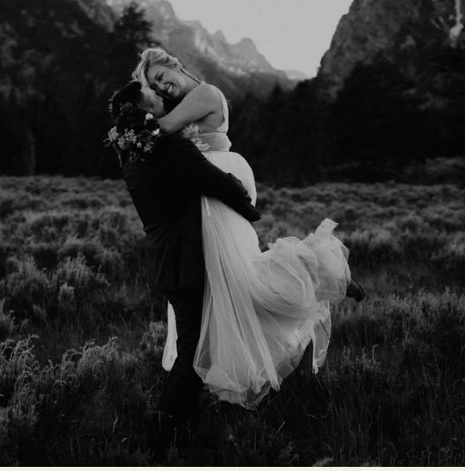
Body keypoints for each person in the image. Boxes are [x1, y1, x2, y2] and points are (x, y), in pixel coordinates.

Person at [132, 47, 365, 409]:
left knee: (241, 276)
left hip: (217, 182)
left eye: (162, 78)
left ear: (176, 64)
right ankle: (314, 278)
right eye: (156, 87)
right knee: (234, 280)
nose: (163, 87)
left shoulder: (204, 94)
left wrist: (129, 120)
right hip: (208, 184)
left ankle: (320, 267)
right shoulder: (189, 98)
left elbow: (161, 130)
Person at [107, 80, 261, 450]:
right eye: (154, 96)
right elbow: (218, 182)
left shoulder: (132, 154)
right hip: (185, 260)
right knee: (192, 348)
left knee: (192, 341)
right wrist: (248, 208)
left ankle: (182, 421)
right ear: (145, 112)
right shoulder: (168, 148)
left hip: (165, 258)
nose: (162, 97)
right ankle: (165, 431)